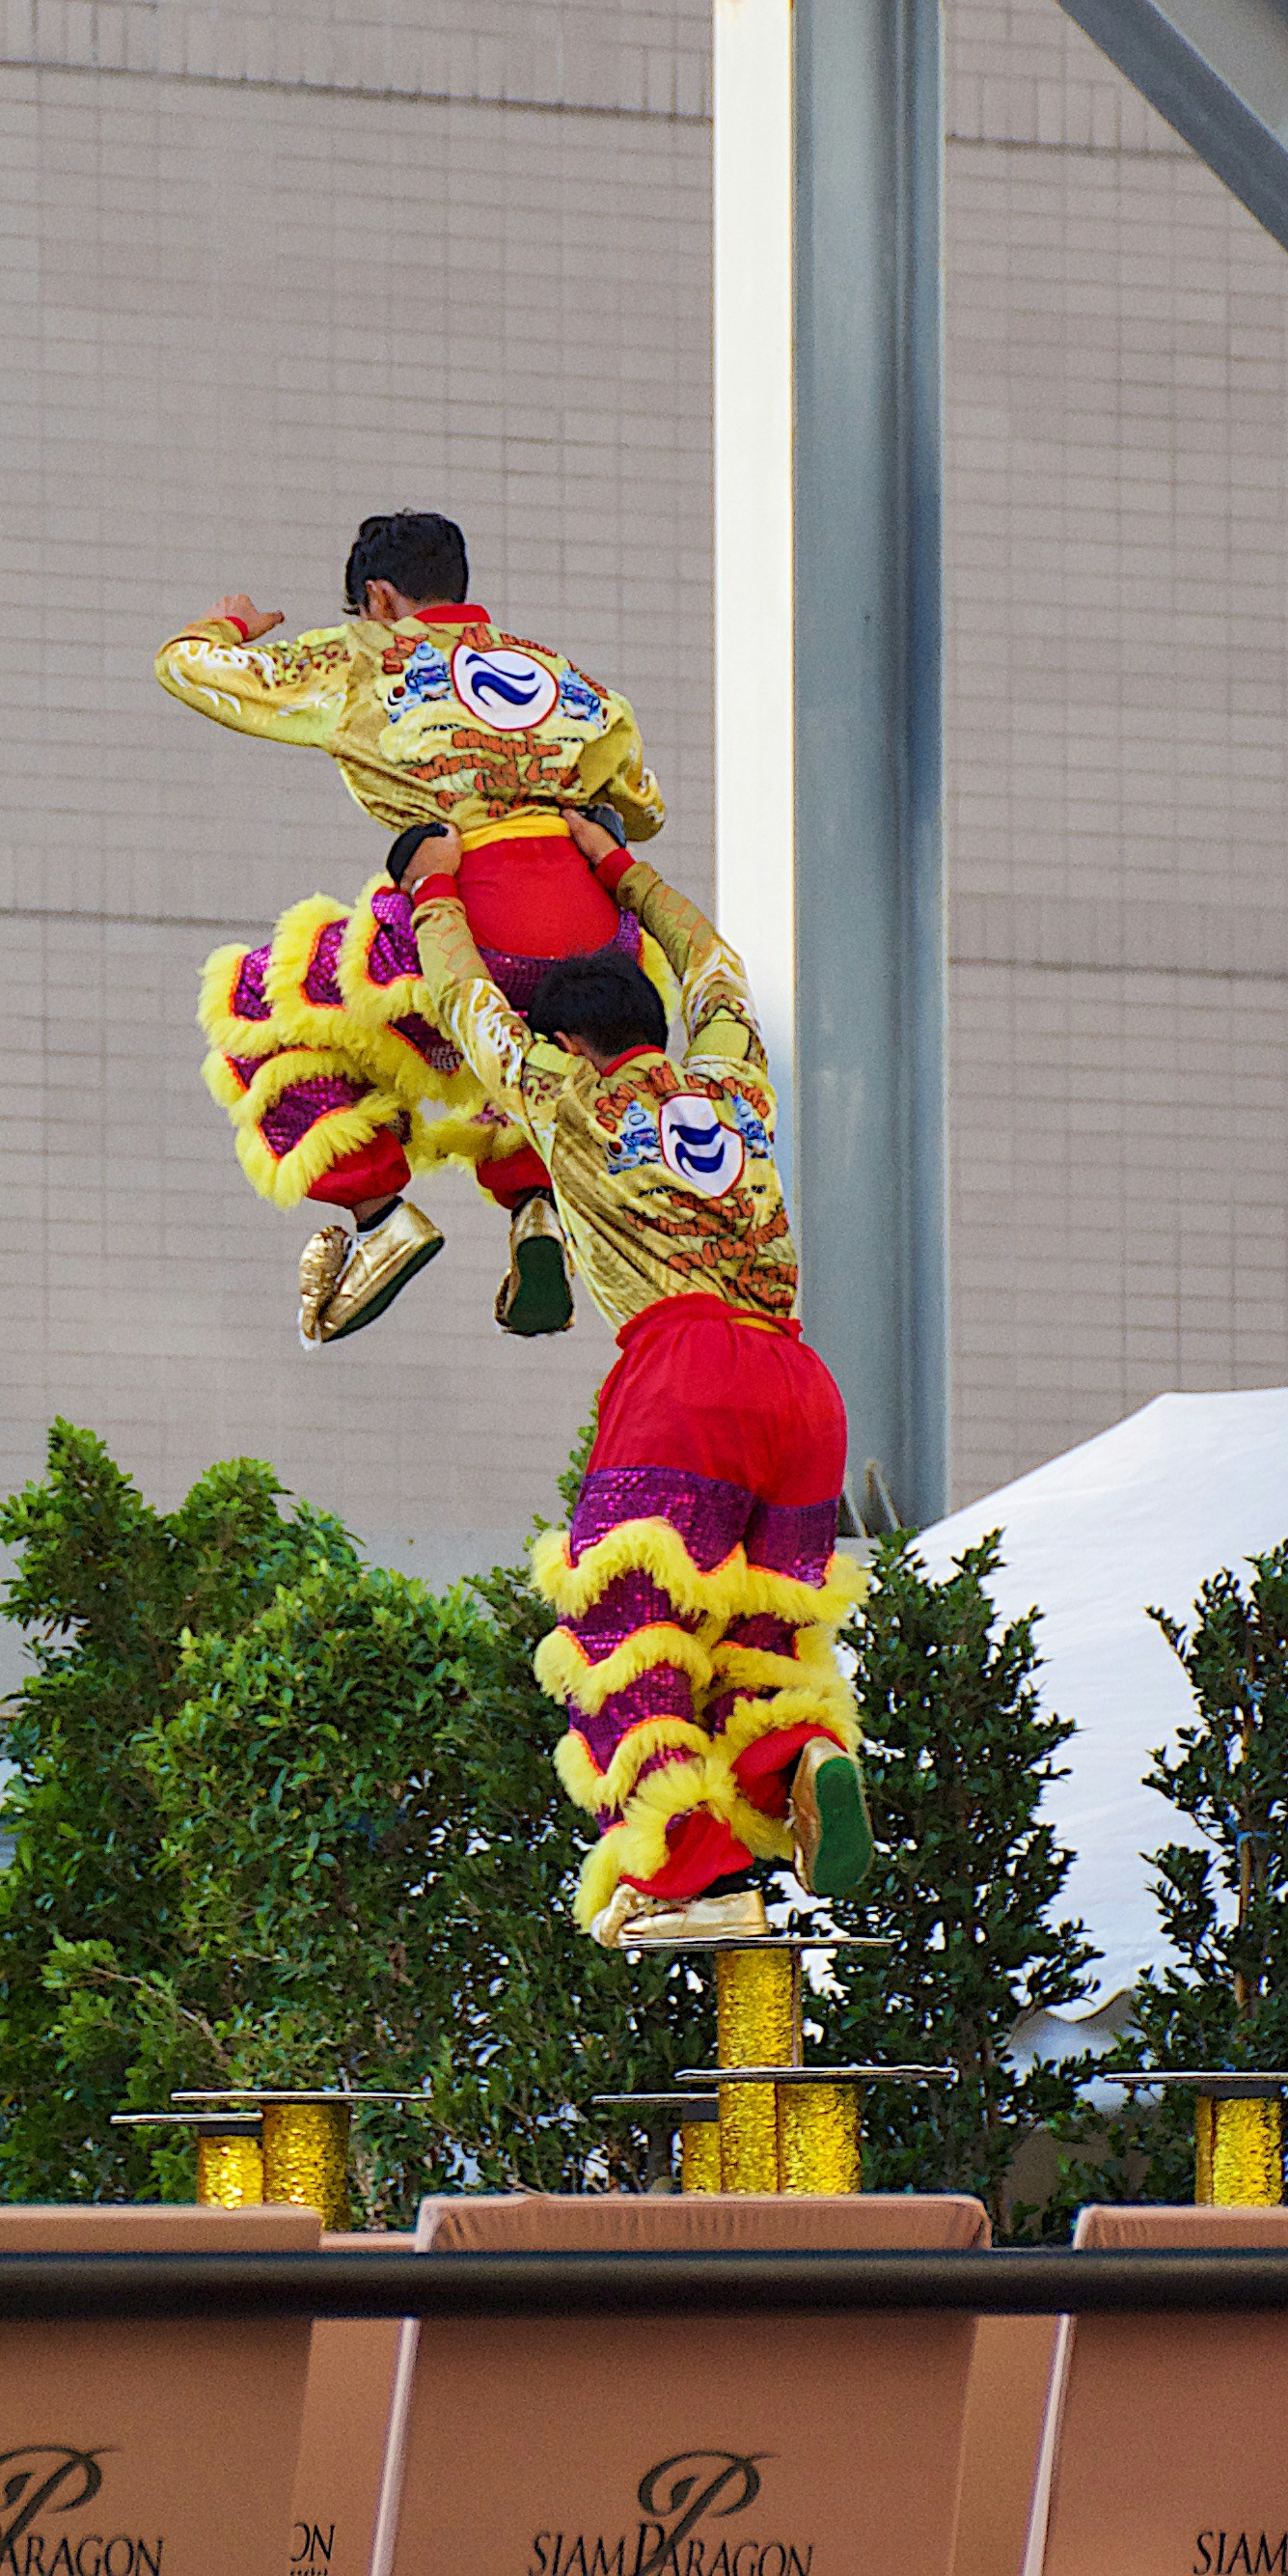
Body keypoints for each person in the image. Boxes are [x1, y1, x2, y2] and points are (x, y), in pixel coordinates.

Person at [404, 809, 869, 1945]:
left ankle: (691, 1876)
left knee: (623, 1623)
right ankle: (799, 1757)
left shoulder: (565, 1096)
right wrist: (618, 865)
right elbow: (714, 963)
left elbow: (465, 1003)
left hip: (683, 1373)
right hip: (802, 1387)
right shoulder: (737, 1086)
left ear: (568, 1043)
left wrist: (432, 889)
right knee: (757, 1638)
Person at [161, 512, 669, 1346]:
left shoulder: (363, 657)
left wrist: (231, 626)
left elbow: (187, 669)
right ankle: (537, 1208)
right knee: (518, 1050)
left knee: (259, 1002)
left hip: (470, 915)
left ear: (379, 597)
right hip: (599, 935)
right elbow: (643, 808)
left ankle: (379, 1212)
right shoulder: (564, 679)